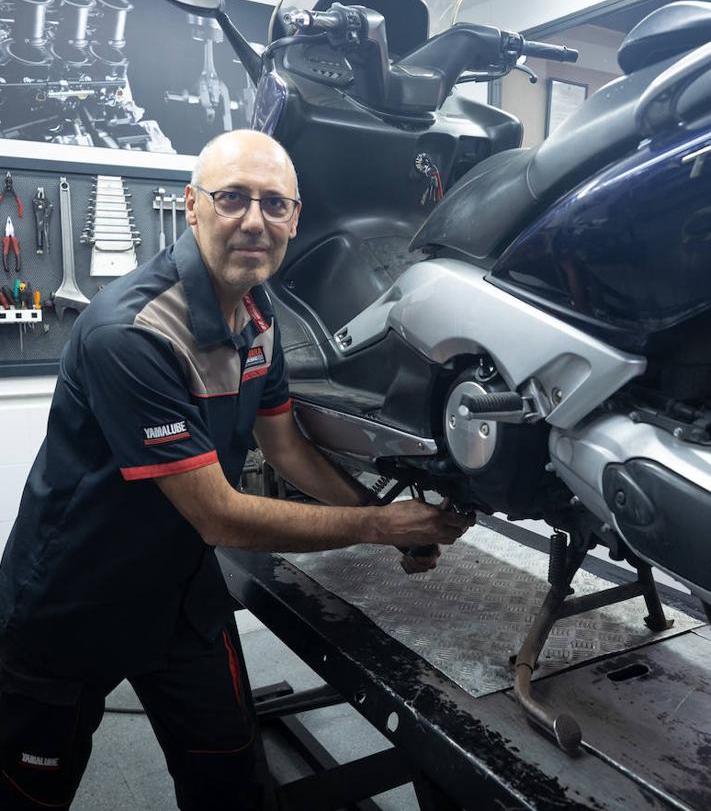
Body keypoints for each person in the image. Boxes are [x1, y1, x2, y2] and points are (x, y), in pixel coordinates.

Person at [0, 130, 472, 810]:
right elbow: (218, 512)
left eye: (274, 204)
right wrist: (376, 522)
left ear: (295, 219)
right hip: (72, 601)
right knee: (29, 793)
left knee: (231, 784)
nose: (255, 220)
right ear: (192, 207)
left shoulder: (259, 315)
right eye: (232, 199)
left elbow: (285, 448)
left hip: (178, 597)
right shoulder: (131, 332)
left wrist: (388, 520)